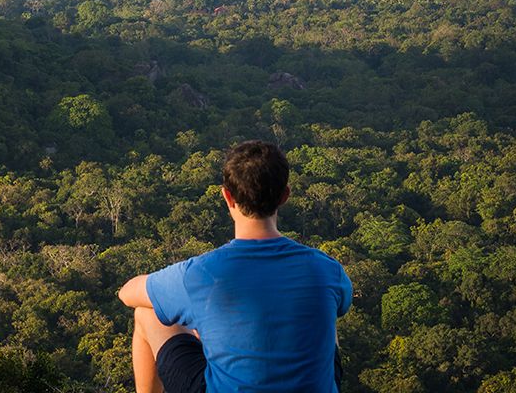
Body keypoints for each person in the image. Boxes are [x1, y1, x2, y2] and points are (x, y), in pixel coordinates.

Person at [118, 140, 352, 393]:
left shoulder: (202, 274)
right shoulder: (327, 269)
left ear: (227, 196)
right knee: (324, 313)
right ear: (285, 195)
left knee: (146, 312)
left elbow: (127, 294)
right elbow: (339, 307)